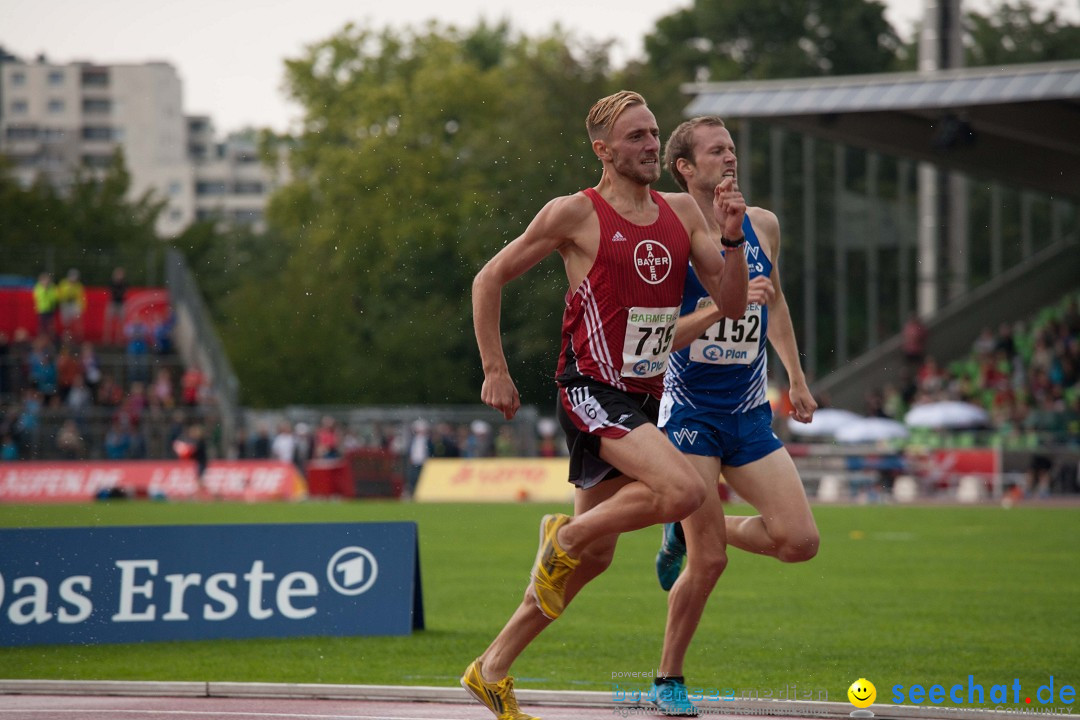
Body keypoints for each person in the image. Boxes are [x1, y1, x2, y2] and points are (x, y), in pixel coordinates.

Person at [461, 91, 748, 720]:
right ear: (603, 150)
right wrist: (495, 370)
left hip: (643, 398)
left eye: (653, 135)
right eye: (637, 138)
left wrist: (731, 240)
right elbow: (488, 278)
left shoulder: (681, 213)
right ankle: (567, 533)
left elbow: (730, 305)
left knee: (591, 561)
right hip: (590, 390)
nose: (650, 146)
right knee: (684, 493)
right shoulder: (575, 213)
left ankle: (491, 667)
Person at [648, 116, 820, 716]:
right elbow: (656, 338)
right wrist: (718, 308)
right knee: (711, 560)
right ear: (686, 169)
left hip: (748, 411)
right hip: (691, 412)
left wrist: (795, 376)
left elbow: (773, 304)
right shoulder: (664, 229)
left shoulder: (763, 225)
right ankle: (668, 678)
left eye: (733, 149)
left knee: (800, 542)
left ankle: (683, 526)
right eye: (715, 151)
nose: (730, 159)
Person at [56, 268, 87, 341]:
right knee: (66, 323)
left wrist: (82, 308)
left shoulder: (78, 285)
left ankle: (77, 336)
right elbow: (60, 295)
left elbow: (81, 297)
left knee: (77, 319)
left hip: (74, 304)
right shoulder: (63, 283)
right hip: (65, 304)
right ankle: (67, 336)